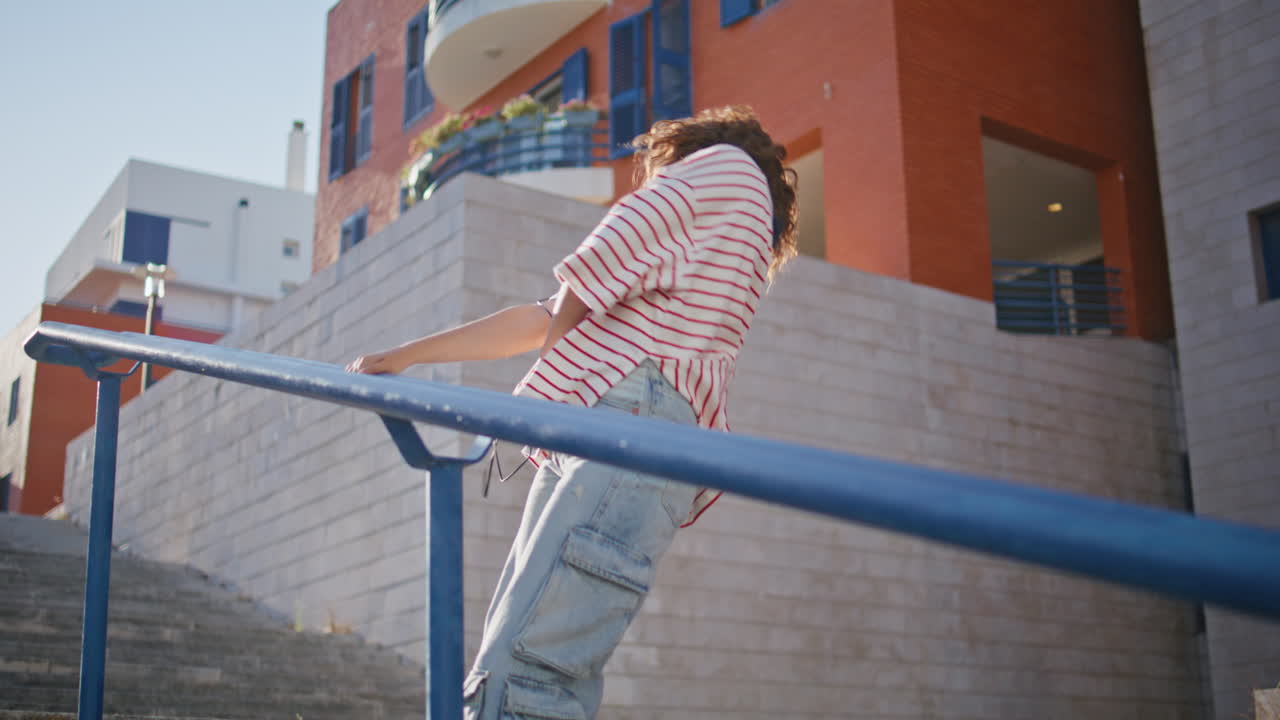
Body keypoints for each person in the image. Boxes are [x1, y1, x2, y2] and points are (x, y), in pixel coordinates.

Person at [347, 105, 798, 720]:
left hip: (626, 424)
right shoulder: (717, 241)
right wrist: (403, 357)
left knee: (523, 671)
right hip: (636, 434)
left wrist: (551, 401)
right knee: (540, 663)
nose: (658, 182)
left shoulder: (720, 168)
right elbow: (548, 312)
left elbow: (599, 258)